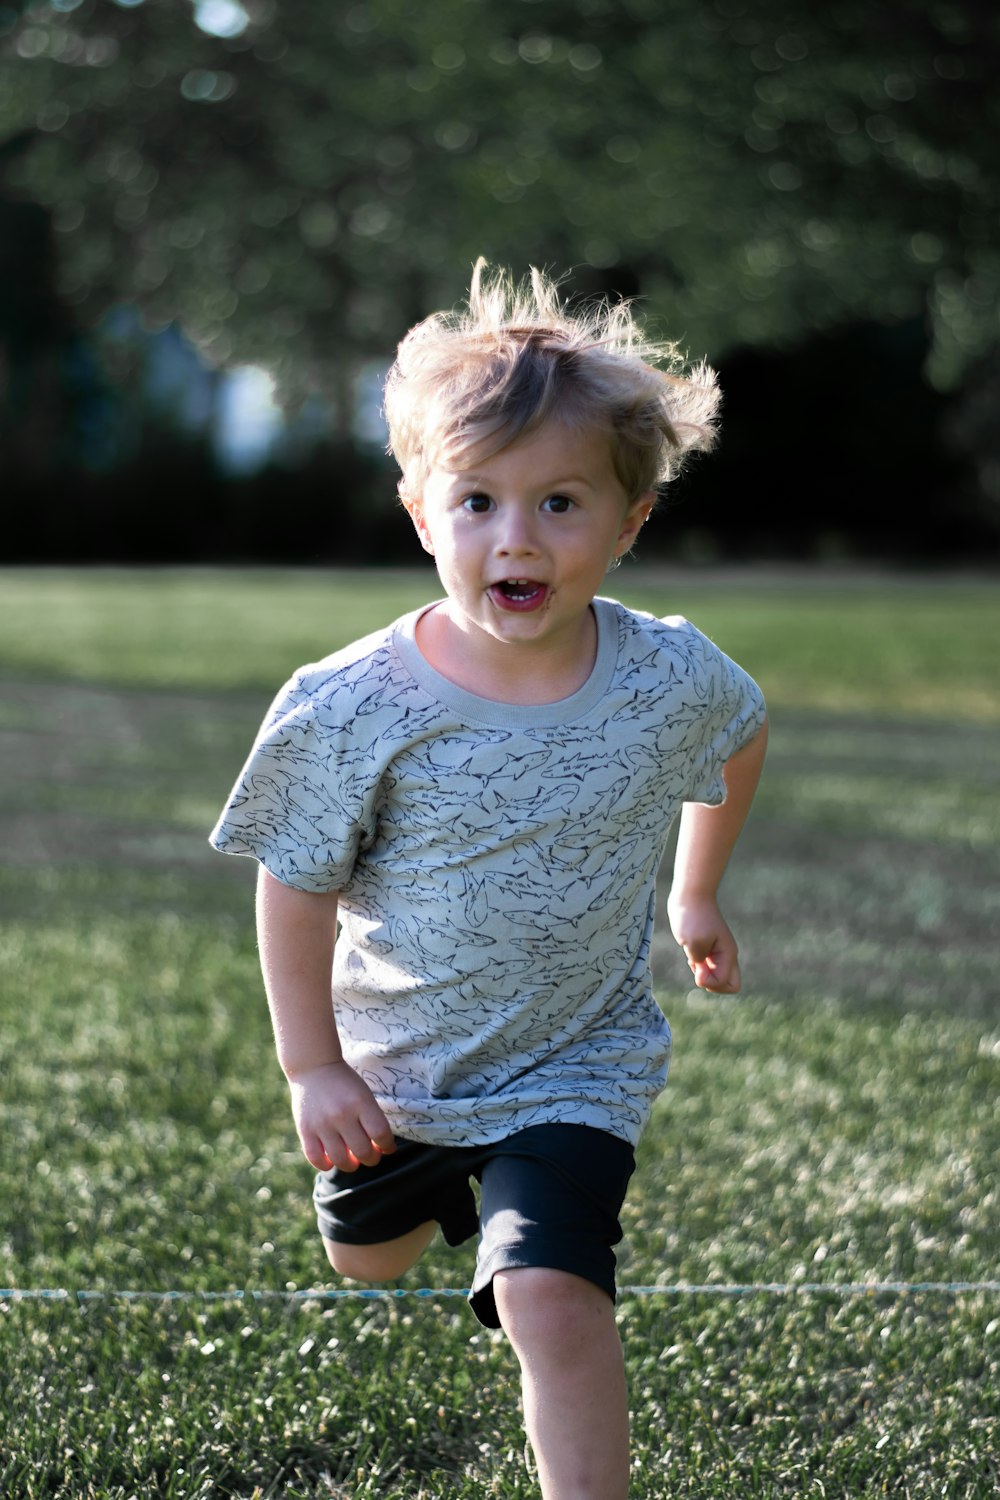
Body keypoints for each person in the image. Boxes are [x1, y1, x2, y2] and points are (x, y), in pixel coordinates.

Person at [210, 261, 768, 1500]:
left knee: (551, 1300)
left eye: (561, 502)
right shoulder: (350, 705)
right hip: (397, 1066)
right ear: (420, 513)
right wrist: (314, 1067)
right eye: (477, 502)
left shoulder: (668, 675)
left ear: (628, 524)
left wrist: (695, 891)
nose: (516, 537)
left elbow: (738, 734)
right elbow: (293, 885)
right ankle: (425, 1196)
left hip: (576, 1065)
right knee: (369, 1260)